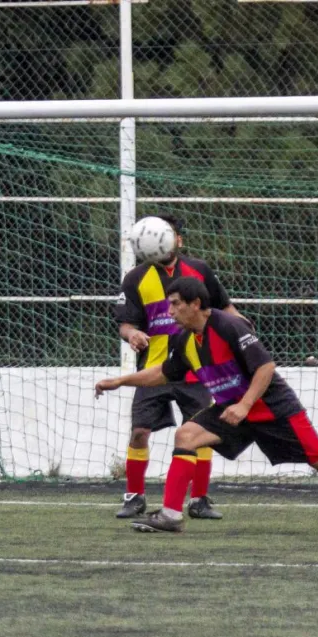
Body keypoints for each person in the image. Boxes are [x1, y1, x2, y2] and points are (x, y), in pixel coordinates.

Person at [95, 278, 318, 533]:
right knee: (186, 435)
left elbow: (265, 367)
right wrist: (121, 381)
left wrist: (244, 405)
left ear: (196, 304)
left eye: (175, 304)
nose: (169, 311)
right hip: (233, 409)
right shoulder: (183, 339)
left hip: (273, 408)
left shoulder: (229, 325)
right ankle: (171, 515)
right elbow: (164, 373)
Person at [113, 214, 238, 520]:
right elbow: (125, 324)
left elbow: (225, 308)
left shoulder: (200, 270)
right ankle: (134, 496)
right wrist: (133, 334)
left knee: (201, 432)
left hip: (196, 369)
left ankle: (199, 499)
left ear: (178, 240)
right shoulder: (135, 278)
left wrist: (241, 330)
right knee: (139, 432)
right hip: (154, 370)